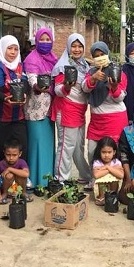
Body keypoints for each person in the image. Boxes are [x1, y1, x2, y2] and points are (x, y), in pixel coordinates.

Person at [50, 33, 91, 182]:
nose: (77, 49)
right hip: (67, 110)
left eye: (80, 46)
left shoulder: (85, 65)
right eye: (74, 46)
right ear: (68, 47)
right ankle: (61, 180)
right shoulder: (63, 66)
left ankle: (85, 175)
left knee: (79, 147)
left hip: (80, 111)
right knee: (65, 148)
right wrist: (67, 86)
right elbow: (57, 90)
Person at [83, 41, 128, 163]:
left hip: (115, 121)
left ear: (107, 53)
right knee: (92, 151)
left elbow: (120, 97)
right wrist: (93, 79)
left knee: (114, 153)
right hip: (97, 122)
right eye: (96, 56)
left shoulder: (118, 71)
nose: (99, 58)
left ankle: (116, 179)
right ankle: (95, 178)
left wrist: (114, 87)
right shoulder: (92, 72)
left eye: (102, 54)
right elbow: (85, 88)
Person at [23, 28, 58, 188]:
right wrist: (39, 86)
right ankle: (36, 182)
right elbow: (32, 81)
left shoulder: (54, 59)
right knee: (36, 145)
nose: (45, 42)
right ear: (36, 41)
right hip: (35, 110)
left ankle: (47, 179)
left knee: (47, 146)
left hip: (50, 110)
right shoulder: (31, 59)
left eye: (48, 39)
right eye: (42, 40)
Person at [0, 35, 29, 161]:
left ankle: (21, 178)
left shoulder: (20, 66)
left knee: (22, 149)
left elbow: (25, 84)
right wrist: (6, 99)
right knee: (1, 151)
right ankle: (1, 178)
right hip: (0, 118)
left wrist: (25, 93)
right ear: (3, 49)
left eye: (16, 49)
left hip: (18, 117)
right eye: (9, 48)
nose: (13, 52)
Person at [0, 139, 32, 204]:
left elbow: (26, 174)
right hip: (6, 189)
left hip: (18, 189)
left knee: (21, 174)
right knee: (9, 175)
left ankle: (23, 193)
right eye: (8, 155)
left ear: (20, 154)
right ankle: (5, 194)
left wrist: (10, 169)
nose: (11, 158)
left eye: (14, 155)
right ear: (4, 153)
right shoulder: (0, 165)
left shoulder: (22, 162)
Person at [92, 136, 124, 206]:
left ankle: (113, 197)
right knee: (101, 179)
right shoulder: (97, 162)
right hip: (102, 187)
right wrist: (111, 169)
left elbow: (121, 175)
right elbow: (96, 175)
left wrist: (106, 167)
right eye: (104, 152)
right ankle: (101, 197)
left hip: (112, 186)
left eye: (109, 152)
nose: (106, 155)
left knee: (114, 179)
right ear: (99, 151)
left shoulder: (116, 162)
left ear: (114, 152)